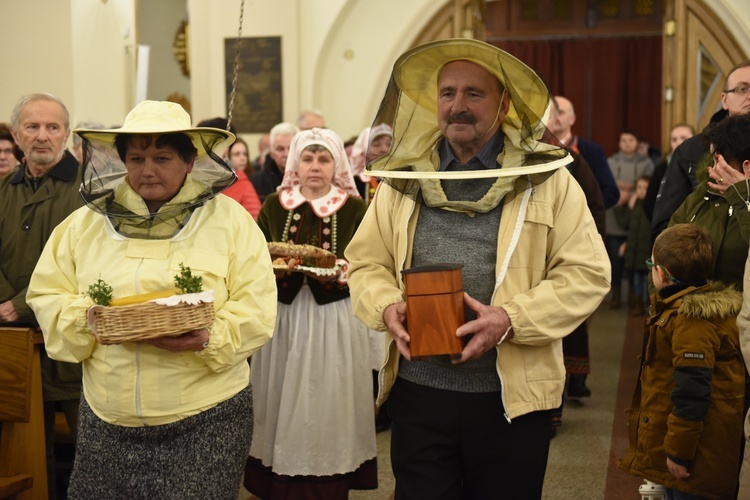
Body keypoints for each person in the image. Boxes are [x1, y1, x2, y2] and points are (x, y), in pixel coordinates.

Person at [345, 39, 610, 499]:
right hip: (420, 393)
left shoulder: (548, 179)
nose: (458, 106)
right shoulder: (404, 179)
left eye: (474, 93)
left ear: (504, 103)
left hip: (512, 399)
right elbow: (366, 262)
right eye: (448, 93)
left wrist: (510, 319)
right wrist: (386, 306)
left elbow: (588, 274)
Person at [26, 100, 277, 498]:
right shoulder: (84, 224)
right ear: (122, 161)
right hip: (108, 417)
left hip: (206, 417)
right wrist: (85, 318)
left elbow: (257, 307)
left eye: (162, 157)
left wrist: (209, 338)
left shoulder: (231, 222)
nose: (147, 170)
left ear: (191, 160)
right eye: (137, 157)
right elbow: (46, 293)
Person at [245, 127, 376, 499]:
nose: (314, 166)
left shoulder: (353, 207)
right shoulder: (275, 204)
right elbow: (258, 254)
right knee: (280, 392)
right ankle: (278, 475)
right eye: (307, 158)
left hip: (332, 319)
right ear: (294, 164)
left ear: (336, 164)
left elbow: (367, 260)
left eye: (323, 158)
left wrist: (343, 270)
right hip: (284, 317)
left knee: (327, 394)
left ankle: (328, 474)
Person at [619, 223, 744, 499]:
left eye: (651, 264)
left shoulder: (692, 321)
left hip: (696, 458)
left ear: (661, 274)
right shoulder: (684, 311)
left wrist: (678, 452)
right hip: (696, 450)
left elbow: (692, 393)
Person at [1, 93, 83, 498]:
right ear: (17, 135)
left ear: (66, 134)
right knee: (24, 457)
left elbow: (85, 262)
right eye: (32, 127)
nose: (42, 136)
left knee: (88, 457)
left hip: (69, 345)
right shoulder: (4, 189)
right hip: (14, 347)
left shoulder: (88, 190)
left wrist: (19, 305)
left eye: (52, 127)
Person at [652, 60, 750, 239]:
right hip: (703, 260)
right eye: (742, 89)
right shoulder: (693, 150)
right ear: (724, 100)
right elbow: (665, 226)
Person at [668, 114, 750, 289]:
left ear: (746, 165)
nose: (712, 169)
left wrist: (743, 192)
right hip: (692, 311)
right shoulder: (699, 198)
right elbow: (663, 255)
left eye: (718, 160)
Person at [606, 130, 654, 308]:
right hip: (615, 216)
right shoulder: (610, 162)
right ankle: (616, 295)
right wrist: (620, 191)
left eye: (631, 140)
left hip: (638, 219)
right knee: (615, 260)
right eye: (623, 140)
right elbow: (606, 183)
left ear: (637, 143)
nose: (627, 143)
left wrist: (630, 191)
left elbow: (648, 187)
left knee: (638, 260)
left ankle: (637, 297)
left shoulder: (647, 163)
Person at [553, 95, 619, 209]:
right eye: (551, 113)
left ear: (572, 119)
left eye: (560, 112)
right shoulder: (535, 149)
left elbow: (610, 192)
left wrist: (583, 210)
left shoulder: (592, 151)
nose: (555, 117)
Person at [614, 175, 652, 316]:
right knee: (636, 278)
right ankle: (636, 304)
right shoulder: (634, 205)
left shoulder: (651, 207)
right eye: (639, 188)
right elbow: (625, 224)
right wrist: (626, 207)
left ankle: (648, 304)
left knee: (647, 280)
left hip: (646, 249)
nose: (642, 191)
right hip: (634, 250)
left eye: (645, 188)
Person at [643, 123, 695, 224]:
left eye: (683, 138)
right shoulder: (661, 169)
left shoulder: (703, 165)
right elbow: (649, 203)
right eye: (674, 139)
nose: (678, 142)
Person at [249, 122, 299, 202]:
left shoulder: (309, 178)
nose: (286, 154)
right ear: (271, 153)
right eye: (280, 149)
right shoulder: (255, 181)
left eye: (291, 148)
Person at [349, 123, 393, 204]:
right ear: (364, 150)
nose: (384, 149)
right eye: (376, 145)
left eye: (389, 144)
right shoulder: (355, 183)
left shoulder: (401, 181)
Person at [224, 137, 262, 219]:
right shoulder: (228, 182)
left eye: (245, 154)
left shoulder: (246, 182)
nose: (243, 158)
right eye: (237, 154)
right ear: (227, 156)